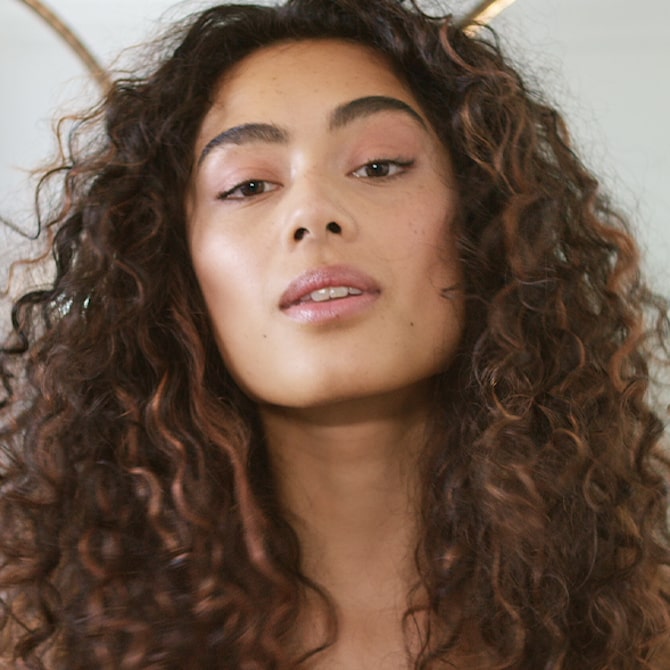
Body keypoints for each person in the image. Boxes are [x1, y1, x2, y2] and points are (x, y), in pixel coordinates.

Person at [1, 0, 669, 667]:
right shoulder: (39, 641)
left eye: (379, 167)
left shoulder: (644, 623)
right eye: (249, 184)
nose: (312, 213)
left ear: (484, 223)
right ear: (174, 266)